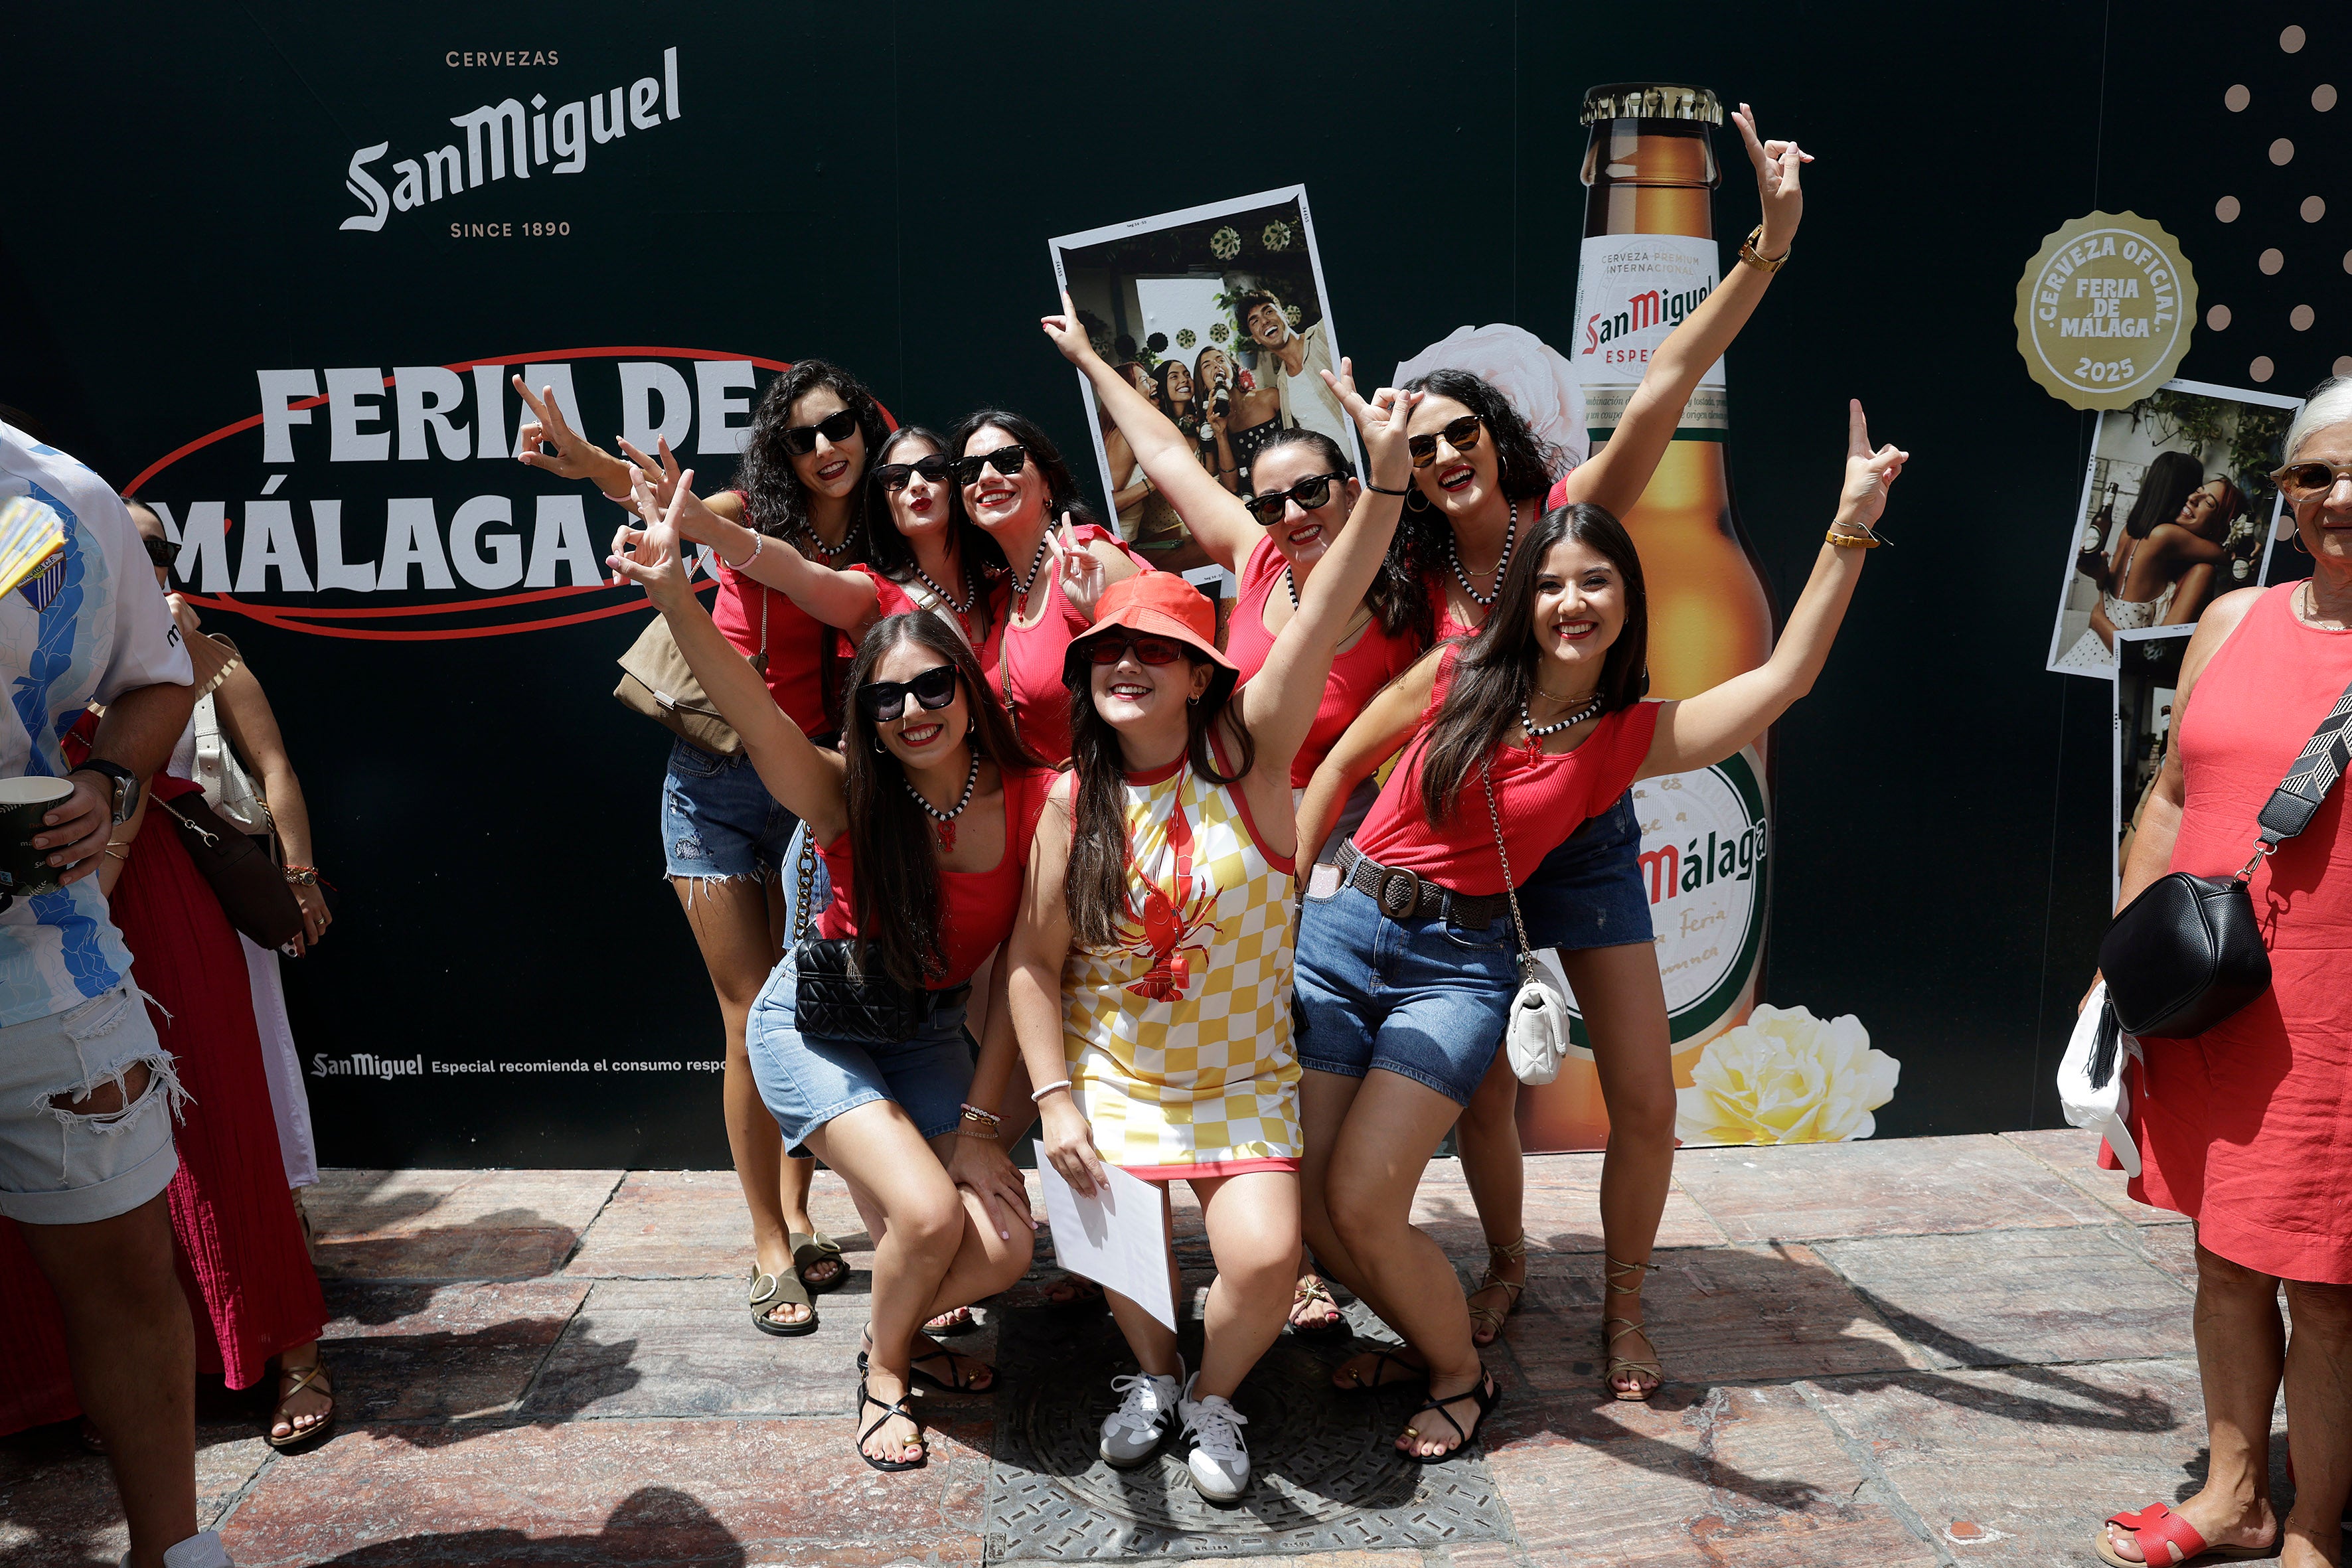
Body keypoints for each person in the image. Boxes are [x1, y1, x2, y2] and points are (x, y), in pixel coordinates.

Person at [1293, 403, 1903, 1458]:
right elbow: (1342, 757)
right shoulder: (1452, 676)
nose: (1569, 603)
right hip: (1344, 934)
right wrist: (1289, 903)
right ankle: (1446, 1315)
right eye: (1550, 584)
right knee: (1314, 1210)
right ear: (1524, 600)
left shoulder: (1625, 736)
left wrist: (1847, 526)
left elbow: (1781, 681)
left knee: (1391, 1185)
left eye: (1594, 582)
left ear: (1627, 600)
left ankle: (1549, 1336)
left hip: (1458, 955)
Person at [1399, 104, 1812, 1375]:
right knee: (1481, 1092)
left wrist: (1762, 250)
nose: (1448, 457)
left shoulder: (1561, 529)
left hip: (1581, 841)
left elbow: (1668, 382)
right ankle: (1508, 1261)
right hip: (1467, 855)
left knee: (1644, 1094)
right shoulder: (1393, 563)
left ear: (1509, 439)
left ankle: (1623, 1303)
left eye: (1468, 433)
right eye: (1424, 444)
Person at [1003, 363, 1417, 1502]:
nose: (1123, 665)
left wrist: (1380, 485)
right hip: (1114, 1076)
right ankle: (1150, 1374)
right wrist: (1053, 1099)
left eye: (1152, 652)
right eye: (1104, 655)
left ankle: (1213, 1395)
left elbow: (1328, 604)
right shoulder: (1064, 800)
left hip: (1238, 1078)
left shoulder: (1252, 763)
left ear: (1199, 675)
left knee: (1263, 1259)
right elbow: (1033, 971)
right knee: (1127, 1254)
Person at [608, 471, 1039, 1472]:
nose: (912, 709)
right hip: (814, 1022)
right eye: (886, 697)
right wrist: (676, 591)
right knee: (928, 1217)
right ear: (867, 717)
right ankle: (885, 1369)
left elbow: (1030, 965)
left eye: (934, 685)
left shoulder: (1036, 798)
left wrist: (981, 1131)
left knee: (1005, 1248)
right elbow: (754, 714)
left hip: (929, 1030)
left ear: (968, 692)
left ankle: (907, 1332)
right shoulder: (846, 794)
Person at [514, 364, 878, 1334]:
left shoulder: (885, 531)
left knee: (804, 1011)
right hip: (712, 786)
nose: (821, 449)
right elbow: (643, 495)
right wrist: (580, 456)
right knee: (748, 1016)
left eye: (837, 426)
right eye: (799, 437)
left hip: (815, 786)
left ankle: (800, 1212)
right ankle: (767, 1241)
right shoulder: (741, 509)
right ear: (777, 448)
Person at [2089, 379, 2352, 1568]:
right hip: (2209, 998)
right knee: (2225, 1252)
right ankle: (2234, 1488)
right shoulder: (2231, 620)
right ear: (2287, 496)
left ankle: (2311, 1522)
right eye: (2316, 475)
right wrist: (2115, 968)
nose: (2340, 497)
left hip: (2334, 1016)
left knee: (2332, 1284)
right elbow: (2170, 796)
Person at [0, 421, 220, 1568]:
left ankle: (174, 1554)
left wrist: (107, 779)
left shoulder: (62, 497)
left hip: (41, 973)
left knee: (126, 1280)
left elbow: (155, 678)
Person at [126, 502, 332, 1195]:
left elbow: (276, 767)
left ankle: (271, 1209)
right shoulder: (72, 660)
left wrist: (299, 879)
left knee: (244, 1055)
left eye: (159, 549)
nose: (149, 563)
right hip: (112, 894)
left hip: (219, 887)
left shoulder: (210, 655)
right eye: (126, 546)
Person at [949, 410, 1144, 765]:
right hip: (1047, 812)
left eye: (1007, 461)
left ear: (1048, 483)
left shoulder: (1089, 557)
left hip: (1120, 805)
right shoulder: (1000, 596)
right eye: (969, 471)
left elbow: (1174, 668)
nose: (987, 477)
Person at [2078, 453, 2238, 649]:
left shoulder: (2131, 529)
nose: (2192, 498)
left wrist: (2097, 617)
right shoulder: (2165, 536)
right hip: (2108, 654)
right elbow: (2227, 555)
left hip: (2092, 645)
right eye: (2196, 489)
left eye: (2209, 503)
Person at [1237, 287, 1351, 451]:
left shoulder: (1323, 334)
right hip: (1339, 472)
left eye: (1268, 312)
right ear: (1256, 339)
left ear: (1284, 315)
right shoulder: (1282, 384)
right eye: (1255, 321)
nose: (1264, 322)